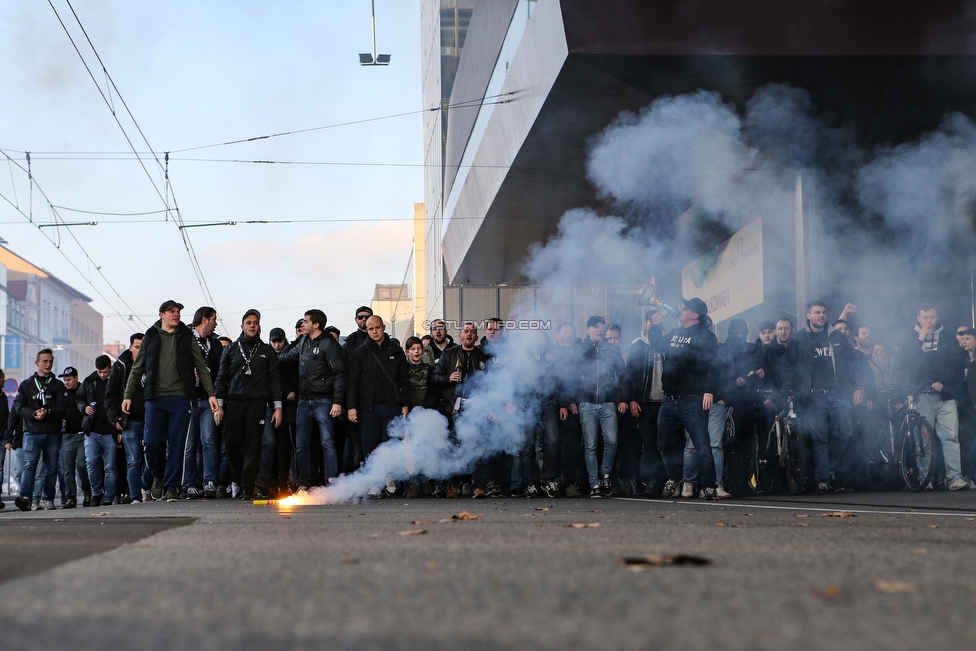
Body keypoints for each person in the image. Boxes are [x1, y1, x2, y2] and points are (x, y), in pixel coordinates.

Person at [122, 300, 221, 503]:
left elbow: (200, 366)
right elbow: (137, 367)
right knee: (151, 443)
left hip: (180, 397)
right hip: (155, 398)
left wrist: (211, 394)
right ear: (161, 315)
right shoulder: (151, 336)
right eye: (172, 311)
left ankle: (172, 487)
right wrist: (128, 395)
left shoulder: (186, 336)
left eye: (178, 312)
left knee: (177, 444)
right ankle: (158, 474)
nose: (176, 314)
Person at [787, 301, 864, 493]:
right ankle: (822, 479)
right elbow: (788, 366)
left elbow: (852, 363)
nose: (821, 315)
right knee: (819, 439)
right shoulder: (799, 339)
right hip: (814, 397)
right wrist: (793, 388)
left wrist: (858, 387)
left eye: (823, 312)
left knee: (845, 434)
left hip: (839, 395)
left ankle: (825, 468)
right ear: (808, 315)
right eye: (817, 312)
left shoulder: (836, 336)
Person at [894, 303, 968, 490]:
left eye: (932, 317)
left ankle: (954, 478)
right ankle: (924, 478)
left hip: (945, 396)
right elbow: (904, 365)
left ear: (937, 317)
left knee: (950, 437)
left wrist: (944, 384)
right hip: (922, 396)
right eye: (925, 318)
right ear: (918, 318)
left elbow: (956, 365)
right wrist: (920, 339)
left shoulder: (948, 337)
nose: (929, 321)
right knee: (924, 439)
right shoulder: (910, 337)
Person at [215, 309, 283, 501]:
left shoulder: (266, 350)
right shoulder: (231, 349)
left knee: (253, 446)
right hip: (234, 402)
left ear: (259, 326)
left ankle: (247, 487)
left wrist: (278, 407)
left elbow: (275, 380)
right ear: (242, 326)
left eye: (255, 322)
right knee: (232, 445)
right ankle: (236, 478)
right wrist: (219, 405)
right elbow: (221, 378)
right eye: (248, 322)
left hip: (258, 403)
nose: (252, 325)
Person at [657, 298, 719, 501]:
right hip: (669, 399)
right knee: (664, 443)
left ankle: (709, 486)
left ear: (695, 315)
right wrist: (657, 325)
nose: (680, 309)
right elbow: (657, 346)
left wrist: (709, 390)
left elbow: (713, 364)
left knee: (702, 445)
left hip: (692, 399)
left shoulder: (706, 336)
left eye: (684, 308)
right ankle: (674, 477)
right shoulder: (675, 333)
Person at [277, 309, 346, 491]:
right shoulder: (303, 341)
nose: (303, 324)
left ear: (316, 325)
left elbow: (339, 373)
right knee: (301, 445)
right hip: (303, 401)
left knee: (328, 443)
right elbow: (287, 357)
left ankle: (332, 484)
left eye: (306, 321)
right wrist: (270, 359)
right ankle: (303, 484)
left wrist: (337, 401)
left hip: (324, 401)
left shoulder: (329, 345)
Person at [346, 315, 410, 497]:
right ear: (366, 330)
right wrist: (351, 407)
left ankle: (389, 476)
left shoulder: (396, 351)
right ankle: (374, 482)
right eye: (370, 329)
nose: (374, 332)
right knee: (370, 445)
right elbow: (353, 382)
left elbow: (404, 380)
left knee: (390, 443)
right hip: (368, 408)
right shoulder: (360, 352)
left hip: (391, 406)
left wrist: (406, 403)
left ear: (383, 327)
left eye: (377, 328)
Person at [568, 316, 628, 499]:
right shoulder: (580, 349)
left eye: (601, 326)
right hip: (586, 404)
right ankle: (594, 483)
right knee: (590, 445)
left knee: (612, 441)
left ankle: (605, 475)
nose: (599, 329)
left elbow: (623, 374)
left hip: (608, 402)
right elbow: (570, 376)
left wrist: (623, 398)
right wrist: (571, 400)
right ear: (588, 329)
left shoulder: (612, 350)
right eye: (595, 326)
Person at [432, 321, 489, 497]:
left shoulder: (483, 356)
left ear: (477, 337)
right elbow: (435, 377)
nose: (469, 334)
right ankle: (453, 485)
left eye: (473, 331)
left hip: (476, 408)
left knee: (477, 446)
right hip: (454, 408)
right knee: (455, 447)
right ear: (460, 336)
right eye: (466, 331)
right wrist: (449, 378)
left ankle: (478, 486)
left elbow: (492, 383)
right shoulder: (449, 354)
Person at [12, 349, 67, 511]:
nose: (48, 364)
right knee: (30, 465)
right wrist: (33, 414)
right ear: (37, 363)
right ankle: (25, 498)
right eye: (45, 361)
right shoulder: (26, 385)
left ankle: (48, 498)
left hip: (52, 432)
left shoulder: (58, 385)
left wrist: (47, 412)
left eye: (50, 361)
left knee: (51, 467)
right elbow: (18, 406)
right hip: (32, 432)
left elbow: (62, 407)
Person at [627, 310, 668, 498]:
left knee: (666, 443)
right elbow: (631, 374)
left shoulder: (668, 342)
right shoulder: (638, 345)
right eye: (654, 320)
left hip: (668, 401)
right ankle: (652, 480)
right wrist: (632, 399)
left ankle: (666, 480)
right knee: (650, 443)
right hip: (646, 402)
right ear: (646, 323)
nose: (658, 323)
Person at [183, 307, 223, 500]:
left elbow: (219, 371)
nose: (216, 322)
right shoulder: (185, 338)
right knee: (190, 445)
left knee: (209, 441)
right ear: (205, 320)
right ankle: (190, 484)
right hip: (189, 398)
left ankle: (209, 482)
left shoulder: (215, 343)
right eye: (214, 319)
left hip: (208, 399)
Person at [105, 334, 148, 503]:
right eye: (137, 347)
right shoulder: (121, 366)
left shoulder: (151, 363)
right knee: (134, 460)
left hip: (150, 418)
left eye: (143, 347)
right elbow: (110, 395)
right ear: (130, 347)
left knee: (153, 456)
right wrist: (115, 417)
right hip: (130, 421)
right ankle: (135, 496)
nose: (140, 350)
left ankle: (146, 487)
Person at [257, 327, 296, 498]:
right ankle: (272, 484)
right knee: (270, 446)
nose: (277, 345)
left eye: (279, 341)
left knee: (284, 448)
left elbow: (288, 379)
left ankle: (282, 484)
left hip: (286, 408)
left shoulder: (288, 357)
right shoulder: (266, 356)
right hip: (270, 406)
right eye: (274, 342)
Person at [80, 355, 117, 507]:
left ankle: (108, 497)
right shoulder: (89, 381)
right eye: (100, 372)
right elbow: (79, 398)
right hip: (92, 430)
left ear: (110, 368)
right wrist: (84, 408)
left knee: (110, 466)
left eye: (105, 372)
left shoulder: (115, 381)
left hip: (110, 431)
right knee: (91, 462)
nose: (103, 375)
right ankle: (96, 494)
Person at [59, 366, 90, 508]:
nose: (67, 382)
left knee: (82, 466)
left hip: (82, 434)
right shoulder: (62, 393)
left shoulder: (84, 390)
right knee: (67, 468)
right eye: (65, 380)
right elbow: (58, 409)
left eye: (69, 380)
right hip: (67, 435)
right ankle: (71, 497)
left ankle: (87, 493)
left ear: (76, 378)